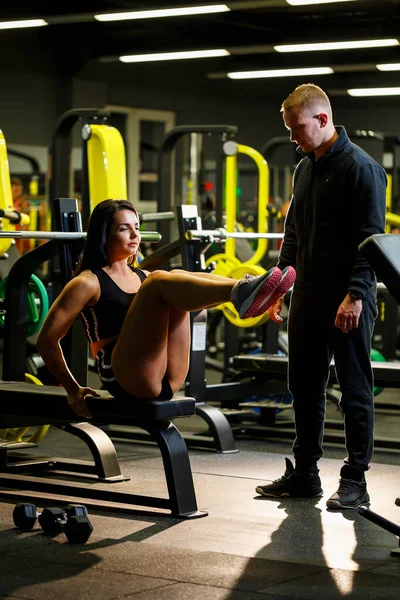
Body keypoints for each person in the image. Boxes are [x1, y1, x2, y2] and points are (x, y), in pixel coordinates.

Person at [36, 199, 296, 420]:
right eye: (124, 229)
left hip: (169, 377)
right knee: (160, 279)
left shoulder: (142, 276)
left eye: (137, 228)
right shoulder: (87, 282)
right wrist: (72, 389)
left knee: (176, 279)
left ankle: (244, 291)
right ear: (103, 235)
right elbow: (47, 339)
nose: (135, 236)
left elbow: (195, 304)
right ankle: (241, 292)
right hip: (124, 377)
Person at [255, 84, 387, 510]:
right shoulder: (304, 169)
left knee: (353, 390)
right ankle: (306, 473)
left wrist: (355, 295)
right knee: (305, 386)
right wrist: (277, 286)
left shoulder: (361, 169)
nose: (293, 137)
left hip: (346, 300)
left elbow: (373, 241)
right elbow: (293, 235)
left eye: (297, 129)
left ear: (323, 120)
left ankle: (355, 479)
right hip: (307, 298)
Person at [11, 176, 31, 254]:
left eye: (20, 190)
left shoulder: (24, 204)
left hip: (21, 241)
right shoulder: (6, 204)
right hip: (10, 239)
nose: (18, 193)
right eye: (15, 190)